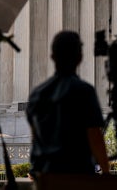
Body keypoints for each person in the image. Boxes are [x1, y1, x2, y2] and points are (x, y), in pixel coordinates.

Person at [26, 31, 110, 180]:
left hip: (47, 179)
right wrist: (106, 173)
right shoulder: (85, 91)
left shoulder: (36, 95)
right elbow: (95, 137)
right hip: (78, 177)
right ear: (80, 58)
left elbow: (35, 139)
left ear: (52, 56)